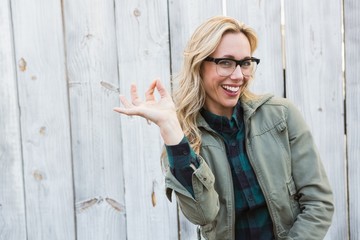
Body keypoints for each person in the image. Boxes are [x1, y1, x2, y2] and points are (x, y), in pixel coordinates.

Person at [114, 15, 334, 240]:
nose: (238, 75)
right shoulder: (181, 142)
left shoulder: (281, 115)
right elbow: (202, 214)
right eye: (226, 62)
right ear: (199, 66)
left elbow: (319, 202)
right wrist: (170, 127)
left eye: (245, 63)